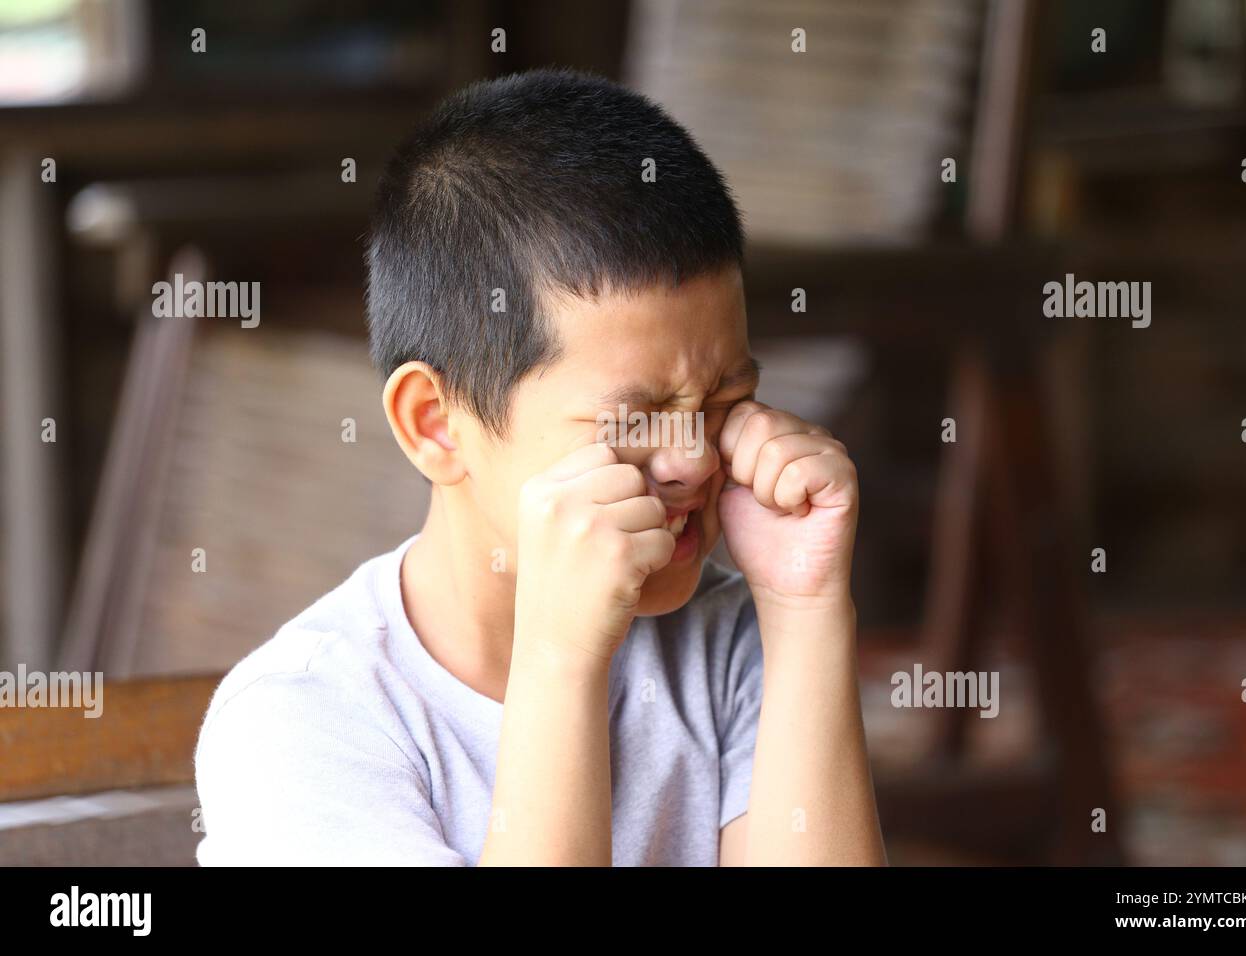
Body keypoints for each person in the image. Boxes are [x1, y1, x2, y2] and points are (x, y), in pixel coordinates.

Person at [194, 68, 886, 866]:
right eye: (631, 417)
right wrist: (559, 664)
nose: (694, 459)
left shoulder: (735, 642)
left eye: (728, 394)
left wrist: (804, 610)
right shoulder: (304, 723)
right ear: (436, 425)